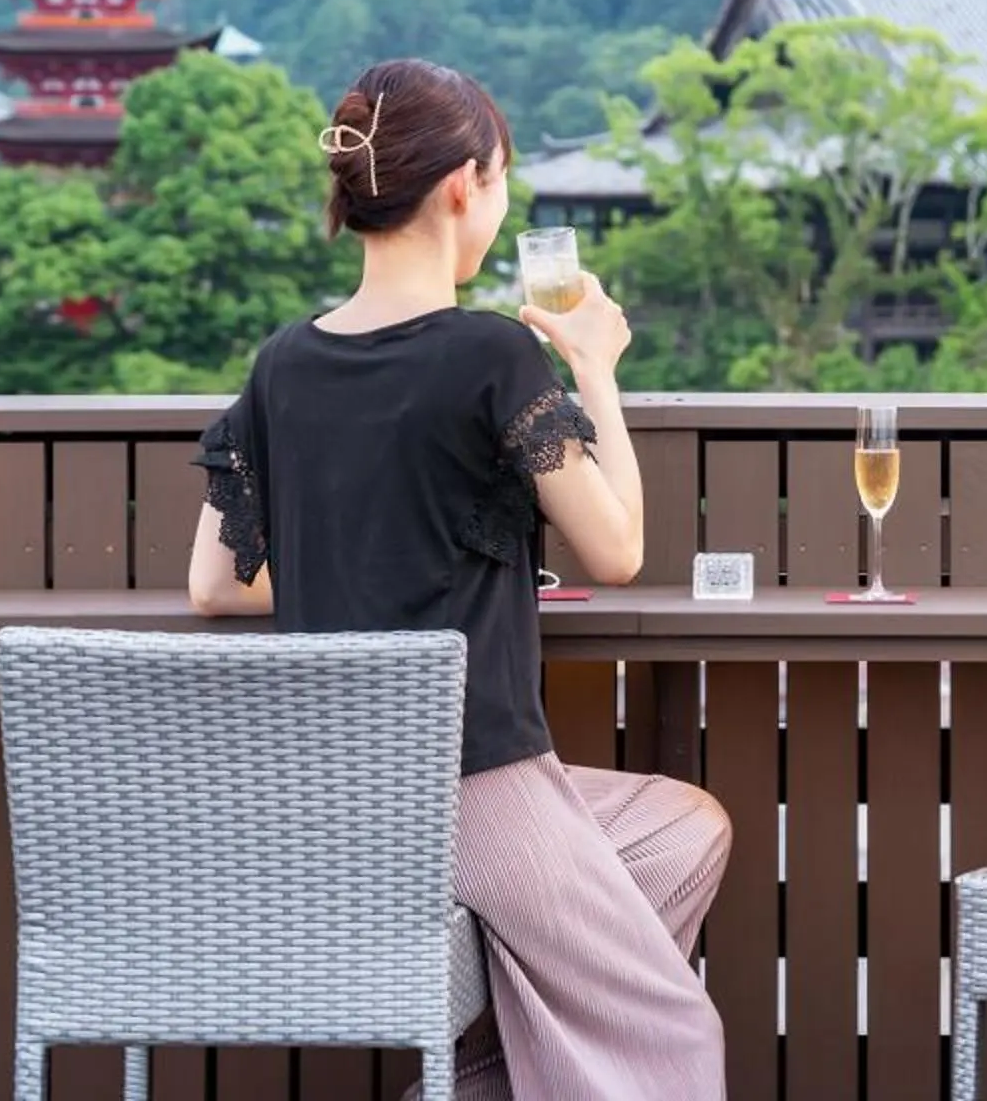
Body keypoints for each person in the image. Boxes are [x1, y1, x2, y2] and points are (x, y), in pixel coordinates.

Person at [186, 56, 730, 1100]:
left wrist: (364, 564)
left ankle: (494, 1073)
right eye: (503, 178)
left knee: (680, 830)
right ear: (463, 186)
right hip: (476, 781)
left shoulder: (281, 362)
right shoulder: (493, 354)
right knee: (669, 1024)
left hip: (342, 799)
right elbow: (616, 552)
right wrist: (597, 368)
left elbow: (217, 583)